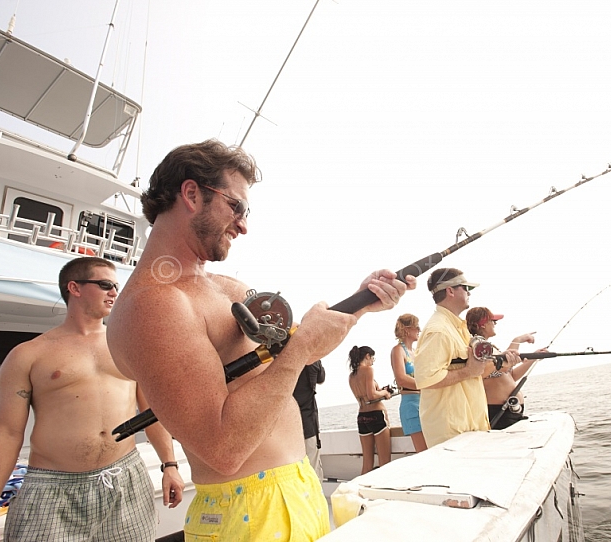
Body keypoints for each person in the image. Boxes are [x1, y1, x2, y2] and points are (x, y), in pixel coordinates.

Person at [105, 139, 413, 542]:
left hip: (298, 488)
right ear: (192, 193)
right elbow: (222, 448)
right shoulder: (154, 305)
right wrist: (300, 349)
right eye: (236, 207)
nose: (244, 224)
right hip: (246, 513)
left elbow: (280, 365)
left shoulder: (222, 286)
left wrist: (358, 308)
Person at [0, 256, 184, 542]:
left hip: (126, 481)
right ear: (74, 288)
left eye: (116, 286)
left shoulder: (130, 345)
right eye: (105, 284)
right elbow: (6, 433)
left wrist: (170, 465)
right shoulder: (28, 355)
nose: (114, 292)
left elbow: (150, 412)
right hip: (52, 491)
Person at [414, 268, 521, 447]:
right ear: (450, 290)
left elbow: (475, 371)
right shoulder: (439, 330)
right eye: (465, 287)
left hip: (468, 431)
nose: (469, 292)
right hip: (453, 434)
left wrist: (500, 360)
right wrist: (467, 371)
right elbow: (426, 378)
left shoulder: (456, 327)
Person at [466, 307, 539, 430]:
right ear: (483, 324)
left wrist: (534, 358)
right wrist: (517, 341)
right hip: (498, 411)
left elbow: (511, 375)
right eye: (492, 321)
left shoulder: (491, 348)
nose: (495, 324)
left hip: (511, 409)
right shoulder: (478, 348)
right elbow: (482, 372)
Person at [348, 346, 393, 474]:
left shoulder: (352, 376)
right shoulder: (368, 370)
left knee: (367, 465)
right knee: (385, 463)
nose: (373, 361)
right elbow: (372, 395)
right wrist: (384, 392)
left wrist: (380, 391)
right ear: (367, 356)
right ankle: (383, 493)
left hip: (362, 418)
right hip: (376, 415)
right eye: (373, 358)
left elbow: (365, 396)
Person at [389, 314, 427, 452]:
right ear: (406, 329)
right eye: (416, 327)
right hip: (411, 405)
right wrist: (428, 385)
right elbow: (401, 379)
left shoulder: (416, 352)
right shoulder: (397, 351)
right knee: (424, 452)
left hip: (426, 404)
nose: (420, 330)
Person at [292, 360, 326, 481]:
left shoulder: (279, 359)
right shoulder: (312, 361)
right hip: (308, 424)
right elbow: (321, 378)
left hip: (288, 428)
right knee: (313, 467)